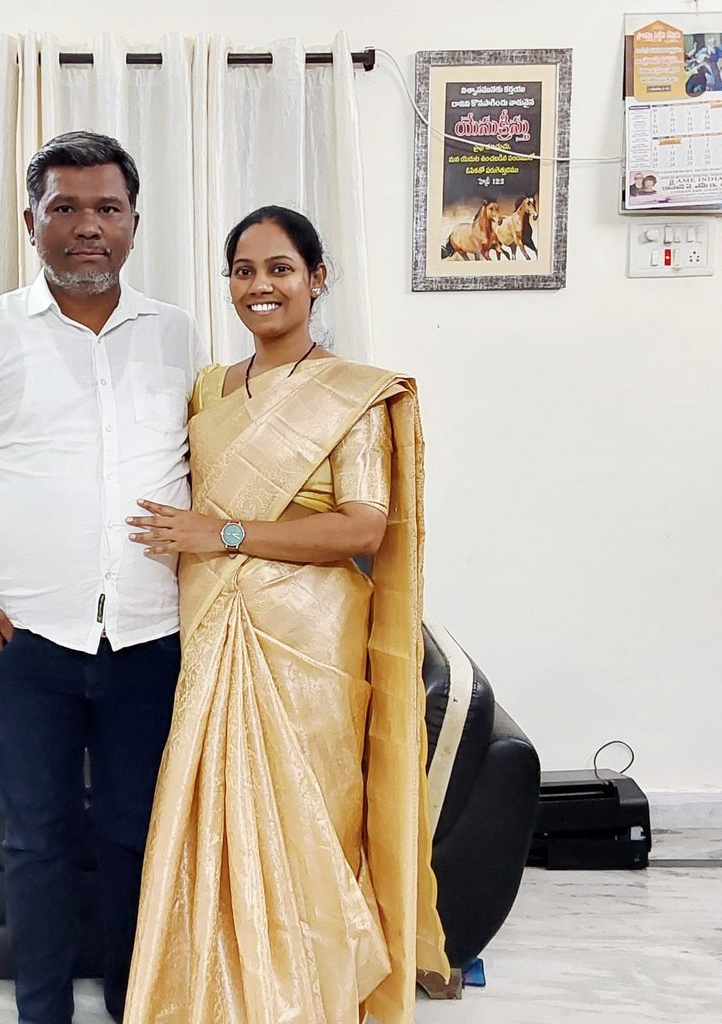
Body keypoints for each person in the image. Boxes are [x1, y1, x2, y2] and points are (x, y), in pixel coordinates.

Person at [121, 207, 448, 1024]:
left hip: (308, 638)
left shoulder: (352, 394)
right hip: (212, 623)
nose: (259, 286)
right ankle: (213, 996)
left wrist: (225, 533)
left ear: (316, 278)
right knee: (213, 814)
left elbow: (363, 529)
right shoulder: (208, 388)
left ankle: (308, 997)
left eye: (279, 269)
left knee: (310, 816)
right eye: (243, 271)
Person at [0, 131, 205, 1024]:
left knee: (133, 835)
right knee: (37, 839)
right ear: (31, 220)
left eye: (107, 208)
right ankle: (42, 1012)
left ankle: (131, 999)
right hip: (25, 636)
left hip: (150, 634)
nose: (88, 226)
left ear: (134, 221)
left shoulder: (177, 334)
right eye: (65, 207)